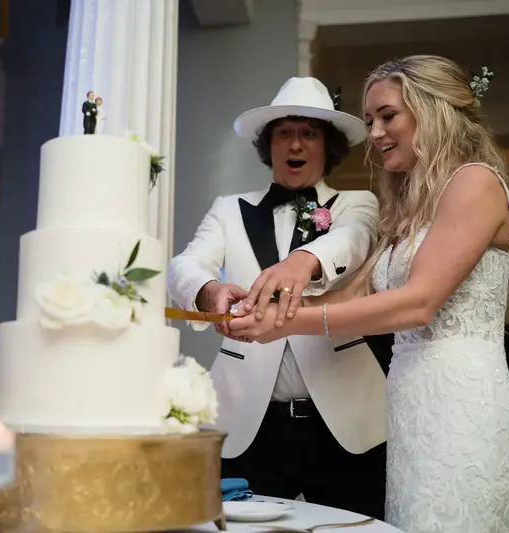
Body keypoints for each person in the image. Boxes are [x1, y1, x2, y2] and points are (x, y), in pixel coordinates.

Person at [229, 56, 509, 532]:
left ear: (432, 110)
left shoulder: (475, 181)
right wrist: (261, 310)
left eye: (387, 116)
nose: (374, 133)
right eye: (370, 120)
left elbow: (419, 303)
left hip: (463, 410)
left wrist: (287, 323)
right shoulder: (412, 204)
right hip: (409, 415)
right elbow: (353, 298)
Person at [167, 76, 391, 519]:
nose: (296, 144)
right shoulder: (227, 209)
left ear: (328, 146)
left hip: (348, 423)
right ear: (268, 145)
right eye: (284, 133)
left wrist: (303, 261)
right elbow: (185, 265)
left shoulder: (357, 203)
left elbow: (352, 241)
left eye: (309, 133)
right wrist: (209, 289)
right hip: (248, 422)